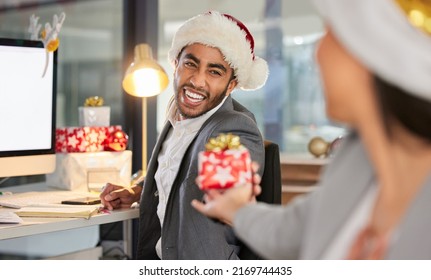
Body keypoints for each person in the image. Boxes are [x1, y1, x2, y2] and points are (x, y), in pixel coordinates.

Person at [192, 0, 431, 260]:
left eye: (332, 33)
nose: (318, 52)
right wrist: (235, 208)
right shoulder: (354, 162)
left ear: (374, 54)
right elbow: (290, 232)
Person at [100, 11, 269, 260]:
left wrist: (232, 192)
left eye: (215, 72)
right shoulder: (177, 117)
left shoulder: (233, 126)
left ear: (231, 85)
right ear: (175, 64)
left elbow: (229, 182)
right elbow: (182, 172)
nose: (197, 81)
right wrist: (138, 191)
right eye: (191, 64)